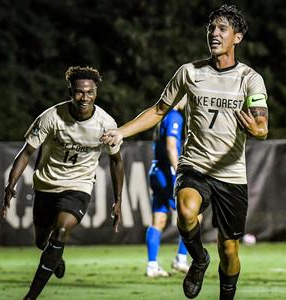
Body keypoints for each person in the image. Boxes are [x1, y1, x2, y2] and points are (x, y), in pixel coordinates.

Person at [101, 5, 268, 299]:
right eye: (211, 29)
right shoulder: (189, 72)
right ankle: (199, 259)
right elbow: (158, 110)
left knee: (229, 249)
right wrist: (121, 131)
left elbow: (261, 121)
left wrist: (258, 130)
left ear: (237, 37)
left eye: (222, 29)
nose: (214, 34)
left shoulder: (250, 78)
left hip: (231, 174)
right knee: (186, 212)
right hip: (195, 165)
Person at [2, 66, 124, 300]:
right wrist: (11, 184)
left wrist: (118, 201)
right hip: (46, 185)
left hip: (79, 186)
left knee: (61, 231)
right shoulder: (51, 117)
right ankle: (55, 258)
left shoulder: (106, 123)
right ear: (70, 91)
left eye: (89, 92)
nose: (84, 98)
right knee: (42, 241)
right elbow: (26, 152)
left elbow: (117, 161)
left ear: (96, 92)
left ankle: (31, 296)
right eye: (79, 92)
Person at [145, 98, 190, 277]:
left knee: (159, 220)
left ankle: (152, 265)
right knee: (194, 215)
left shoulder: (163, 116)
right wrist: (180, 171)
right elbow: (172, 146)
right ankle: (181, 259)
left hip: (156, 171)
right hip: (167, 173)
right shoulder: (174, 116)